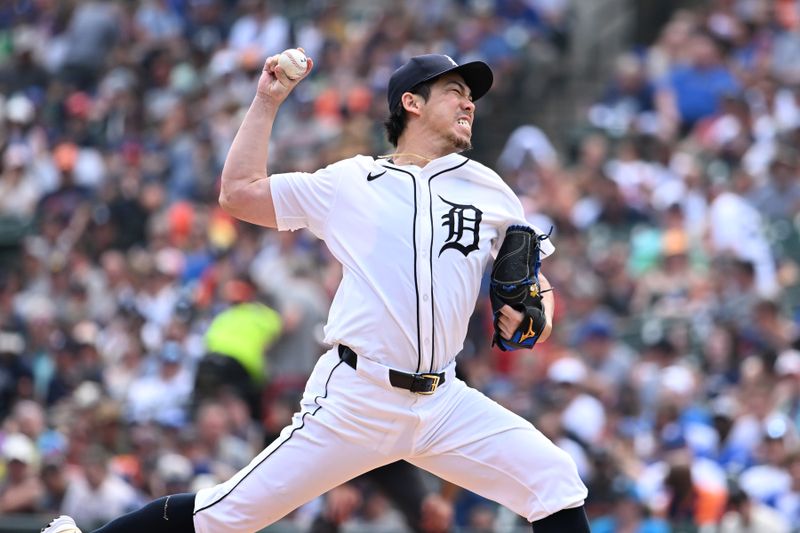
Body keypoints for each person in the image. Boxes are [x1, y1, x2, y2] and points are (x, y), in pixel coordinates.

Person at [43, 51, 589, 533]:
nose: (468, 103)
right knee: (226, 517)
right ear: (412, 103)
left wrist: (535, 313)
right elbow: (239, 194)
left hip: (444, 401)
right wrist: (266, 102)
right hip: (357, 398)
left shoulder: (489, 188)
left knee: (554, 480)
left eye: (471, 96)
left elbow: (534, 285)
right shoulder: (351, 181)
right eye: (454, 92)